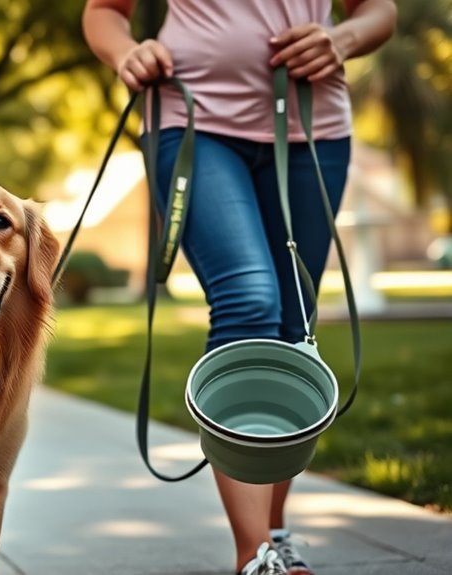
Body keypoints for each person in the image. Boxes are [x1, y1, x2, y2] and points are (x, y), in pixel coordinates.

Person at [81, 1, 396, 574]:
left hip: (313, 124)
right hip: (191, 115)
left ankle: (275, 532)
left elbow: (380, 11)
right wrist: (126, 51)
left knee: (292, 324)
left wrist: (343, 39)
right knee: (249, 298)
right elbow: (104, 11)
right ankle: (253, 552)